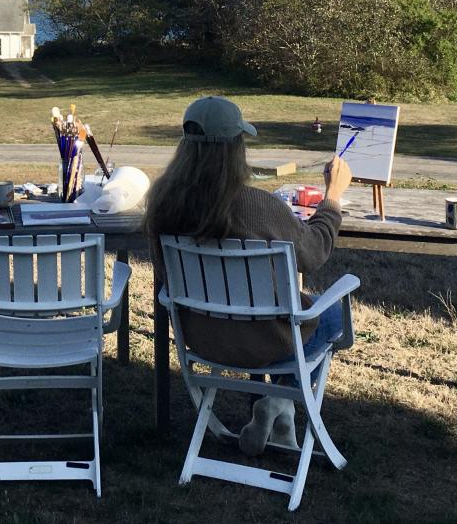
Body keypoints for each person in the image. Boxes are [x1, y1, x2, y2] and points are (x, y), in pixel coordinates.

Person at [143, 96, 352, 456]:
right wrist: (332, 198)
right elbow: (314, 253)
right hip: (267, 339)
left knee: (290, 315)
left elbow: (163, 274)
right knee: (332, 314)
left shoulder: (161, 205)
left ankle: (279, 413)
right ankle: (278, 401)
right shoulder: (258, 206)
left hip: (204, 339)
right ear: (237, 148)